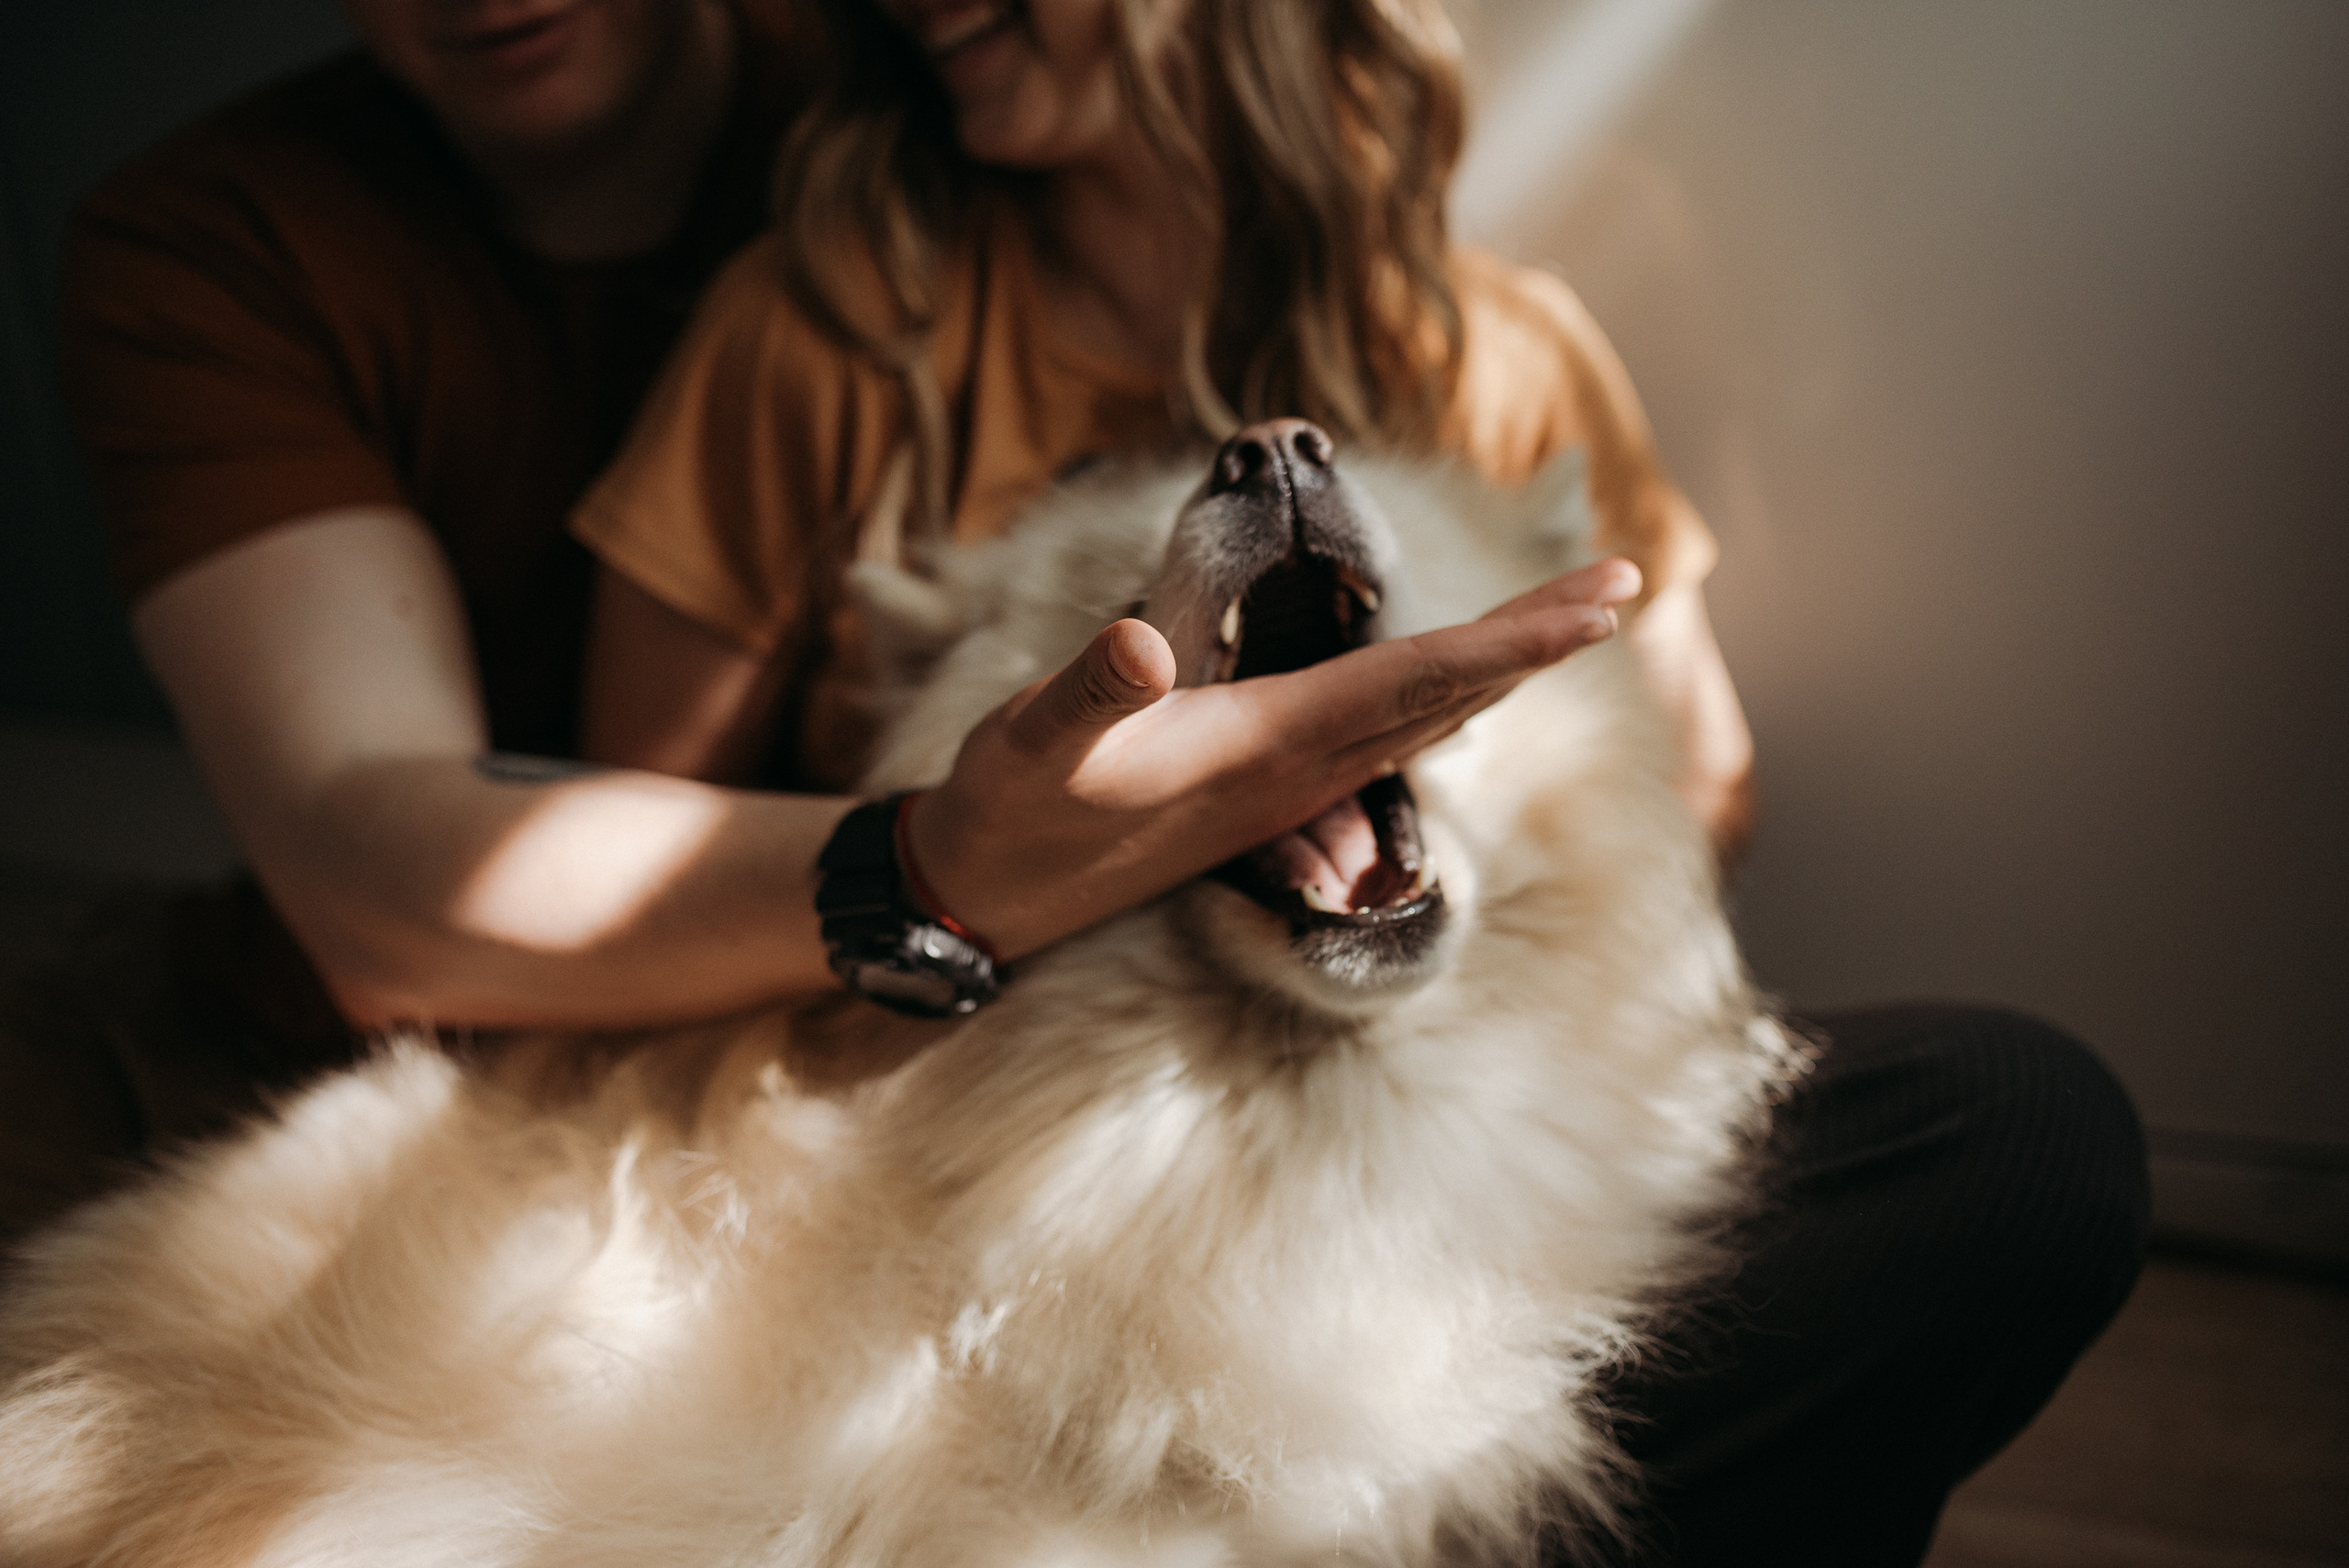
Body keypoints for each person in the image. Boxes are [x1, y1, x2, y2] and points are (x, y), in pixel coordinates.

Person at [565, 3, 2150, 1564]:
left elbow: (1694, 781)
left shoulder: (1504, 351)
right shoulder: (820, 338)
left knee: (2018, 1136)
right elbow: (624, 876)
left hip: (1486, 1168)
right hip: (993, 1192)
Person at [4, 0, 1627, 1255]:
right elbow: (421, 895)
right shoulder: (831, 299)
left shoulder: (1468, 336)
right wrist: (939, 870)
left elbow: (1686, 779)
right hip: (406, 1032)